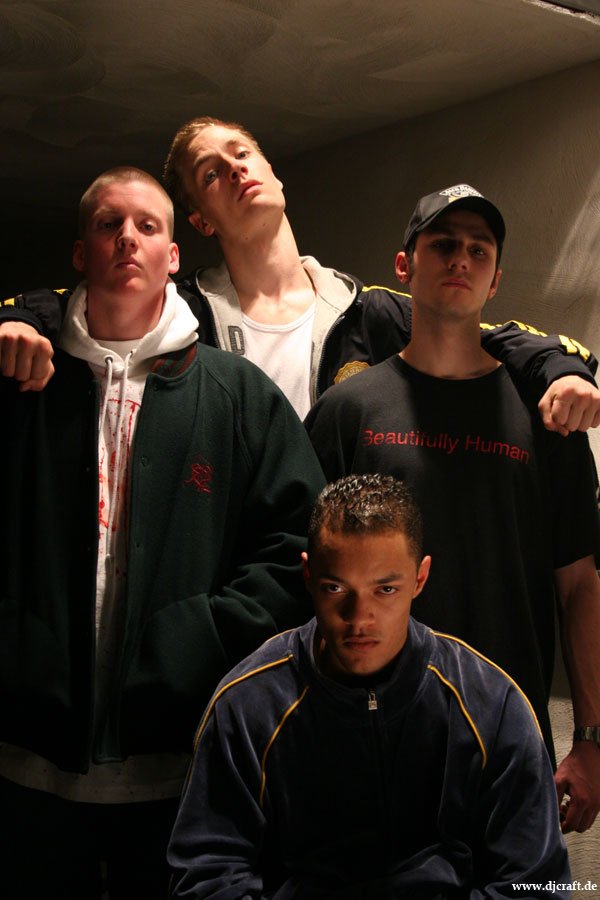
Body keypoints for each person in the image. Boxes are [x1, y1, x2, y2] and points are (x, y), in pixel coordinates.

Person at [0, 166, 324, 899]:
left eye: (147, 226)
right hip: (24, 758)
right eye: (108, 224)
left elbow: (298, 545)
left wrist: (204, 638)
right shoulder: (25, 380)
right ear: (79, 252)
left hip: (179, 763)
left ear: (174, 255)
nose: (127, 239)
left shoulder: (236, 393)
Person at [305, 184, 600, 835]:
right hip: (369, 740)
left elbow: (580, 584)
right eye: (443, 244)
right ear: (404, 267)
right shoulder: (346, 412)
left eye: (478, 249)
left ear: (496, 280)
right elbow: (303, 580)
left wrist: (591, 738)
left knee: (527, 883)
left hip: (511, 742)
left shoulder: (548, 419)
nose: (461, 258)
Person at [1, 117, 600, 432]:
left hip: (348, 581)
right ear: (200, 221)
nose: (235, 170)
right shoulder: (181, 309)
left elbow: (490, 338)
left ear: (274, 173)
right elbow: (73, 302)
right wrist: (18, 323)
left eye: (242, 154)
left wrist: (564, 371)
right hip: (235, 571)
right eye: (210, 174)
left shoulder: (366, 309)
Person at [168, 474, 571, 899]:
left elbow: (538, 882)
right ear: (308, 575)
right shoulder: (247, 705)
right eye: (336, 588)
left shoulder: (491, 703)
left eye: (386, 589)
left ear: (420, 578)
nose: (359, 618)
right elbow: (205, 878)